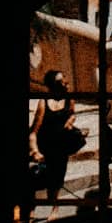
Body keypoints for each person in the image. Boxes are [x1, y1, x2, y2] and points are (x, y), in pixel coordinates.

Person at [30, 70, 85, 199]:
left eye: (64, 78)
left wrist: (70, 122)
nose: (65, 82)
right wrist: (35, 151)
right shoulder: (44, 102)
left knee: (57, 180)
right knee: (38, 180)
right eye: (60, 81)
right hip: (45, 147)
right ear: (53, 86)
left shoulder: (69, 99)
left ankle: (55, 206)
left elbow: (72, 114)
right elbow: (33, 132)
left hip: (60, 147)